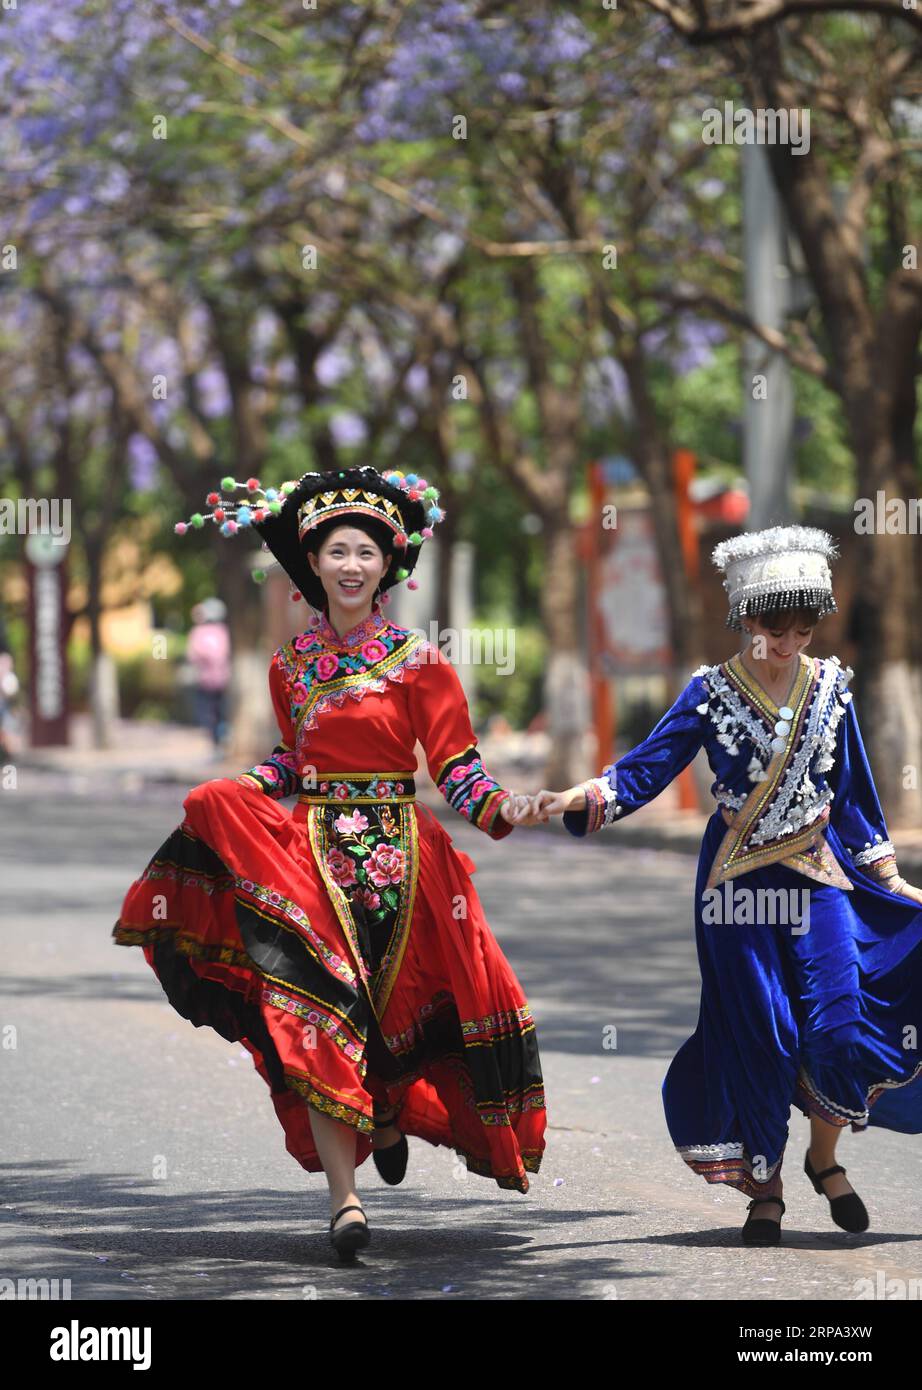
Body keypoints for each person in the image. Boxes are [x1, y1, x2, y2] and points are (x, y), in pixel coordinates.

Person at [113, 466, 546, 1259]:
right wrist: (243, 786)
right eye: (337, 551)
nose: (351, 565)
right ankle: (344, 1203)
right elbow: (292, 760)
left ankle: (385, 1111)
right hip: (311, 861)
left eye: (366, 553)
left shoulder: (421, 663)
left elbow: (457, 770)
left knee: (401, 1017)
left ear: (389, 566)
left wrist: (508, 807)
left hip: (406, 867)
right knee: (311, 1018)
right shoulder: (290, 664)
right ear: (312, 563)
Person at [512, 526, 922, 1247]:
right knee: (758, 1033)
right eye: (773, 625)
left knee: (839, 1025)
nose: (789, 639)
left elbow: (854, 795)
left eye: (803, 625)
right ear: (743, 617)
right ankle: (766, 1191)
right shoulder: (709, 692)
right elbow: (641, 772)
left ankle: (824, 1157)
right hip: (734, 882)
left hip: (821, 876)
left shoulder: (833, 689)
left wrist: (891, 879)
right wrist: (573, 797)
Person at [185, 597, 231, 750]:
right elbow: (225, 652)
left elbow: (192, 655)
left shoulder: (198, 632)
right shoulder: (223, 631)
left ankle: (217, 741)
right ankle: (221, 738)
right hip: (223, 679)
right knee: (222, 712)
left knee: (209, 714)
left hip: (206, 681)